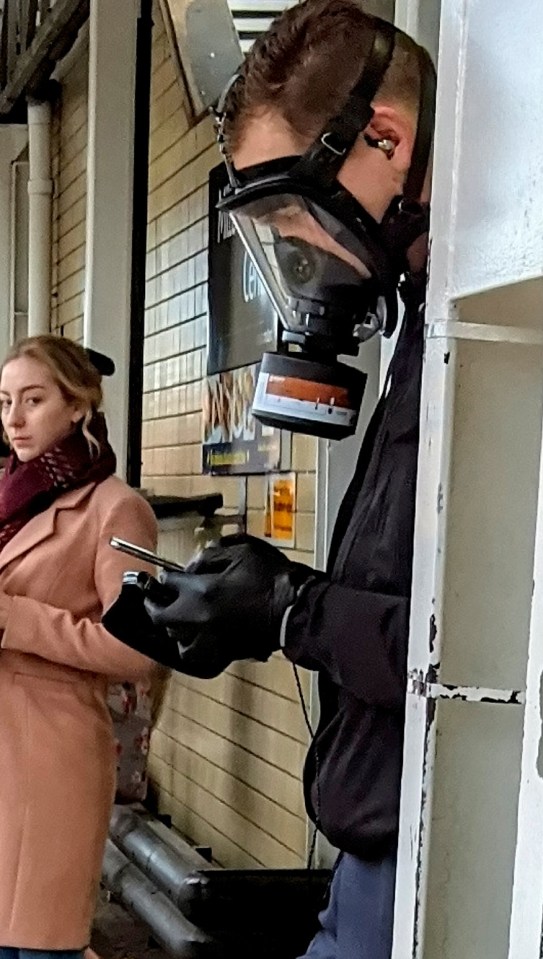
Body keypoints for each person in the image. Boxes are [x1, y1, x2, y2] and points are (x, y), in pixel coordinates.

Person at [104, 2, 435, 956]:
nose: (289, 249)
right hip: (374, 843)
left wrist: (294, 610)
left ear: (385, 139)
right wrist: (266, 604)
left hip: (428, 845)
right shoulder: (424, 328)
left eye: (290, 209)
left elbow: (489, 656)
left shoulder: (489, 341)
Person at [0, 335, 157, 959]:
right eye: (6, 400)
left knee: (39, 945)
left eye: (33, 400)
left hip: (51, 753)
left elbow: (136, 650)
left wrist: (17, 620)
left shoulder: (117, 510)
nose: (13, 419)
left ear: (78, 406)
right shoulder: (10, 499)